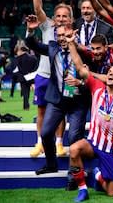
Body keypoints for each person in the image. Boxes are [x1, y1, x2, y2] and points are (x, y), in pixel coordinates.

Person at [65, 27, 113, 202]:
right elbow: (79, 67)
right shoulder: (96, 87)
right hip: (93, 142)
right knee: (74, 149)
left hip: (111, 149)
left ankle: (97, 175)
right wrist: (70, 43)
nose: (111, 74)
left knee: (112, 192)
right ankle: (83, 190)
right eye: (109, 72)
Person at [25, 17, 88, 175]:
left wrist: (80, 82)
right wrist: (31, 31)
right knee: (46, 133)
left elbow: (90, 77)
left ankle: (74, 173)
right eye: (59, 35)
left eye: (65, 35)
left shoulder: (82, 51)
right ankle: (51, 164)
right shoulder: (53, 48)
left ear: (73, 33)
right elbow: (33, 45)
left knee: (74, 136)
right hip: (57, 100)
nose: (62, 39)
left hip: (77, 102)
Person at [28, 0, 70, 159]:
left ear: (70, 18)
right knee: (41, 110)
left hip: (63, 78)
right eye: (58, 15)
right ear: (54, 17)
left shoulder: (73, 33)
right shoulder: (47, 27)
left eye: (65, 16)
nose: (61, 19)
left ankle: (59, 143)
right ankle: (39, 143)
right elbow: (38, 10)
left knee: (61, 112)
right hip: (44, 75)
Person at [11, 42, 38, 110]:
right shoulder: (33, 58)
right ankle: (30, 105)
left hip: (23, 78)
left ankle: (26, 106)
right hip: (31, 77)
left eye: (17, 51)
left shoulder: (18, 59)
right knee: (29, 92)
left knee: (25, 92)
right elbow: (36, 67)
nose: (17, 53)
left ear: (20, 50)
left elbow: (17, 69)